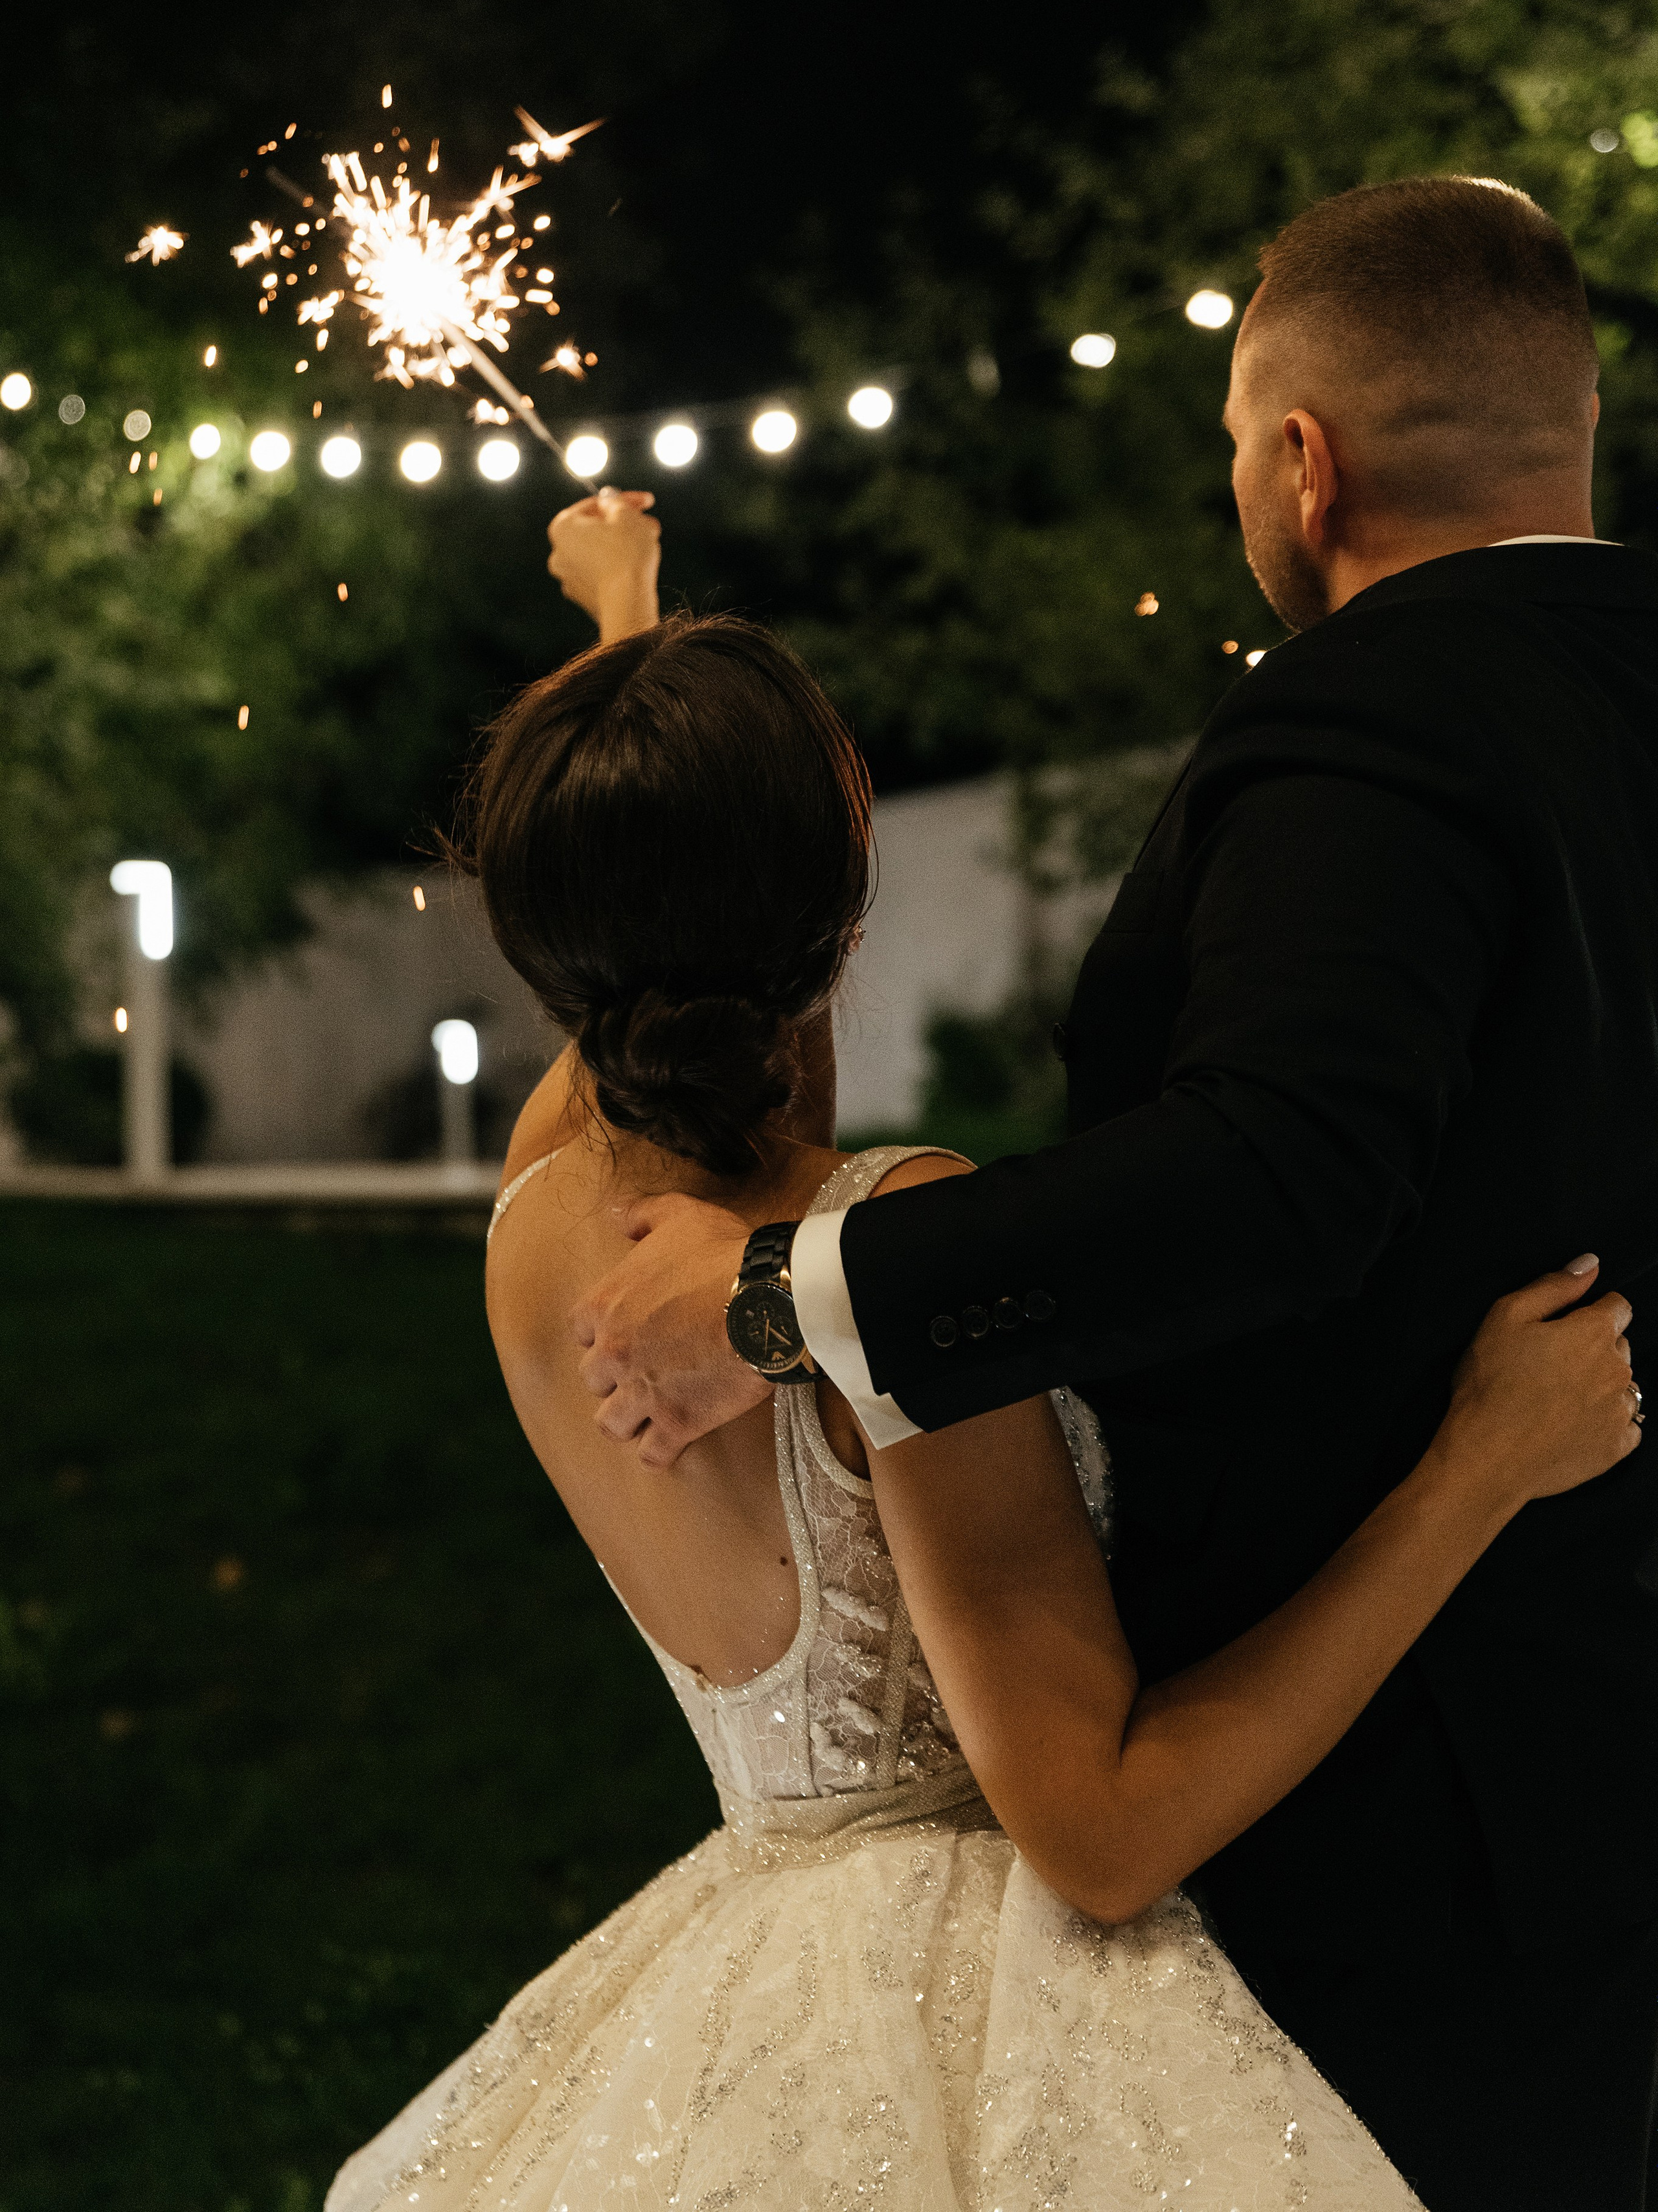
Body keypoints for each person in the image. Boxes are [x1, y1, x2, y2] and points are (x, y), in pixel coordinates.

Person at [325, 501, 1637, 2209]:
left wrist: (626, 638)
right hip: (967, 2025)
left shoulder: (538, 1228)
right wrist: (1473, 1474)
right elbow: (1099, 1836)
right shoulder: (886, 1248)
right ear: (846, 901)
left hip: (729, 1987)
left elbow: (611, 945)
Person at [570, 176, 1658, 2211]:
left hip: (1388, 1819)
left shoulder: (1372, 709)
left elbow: (1285, 1174)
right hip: (1596, 1771)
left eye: (1237, 444)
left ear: (1303, 463)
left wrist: (784, 1297)